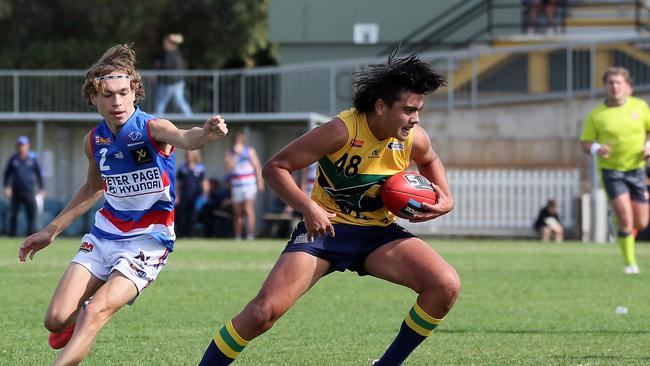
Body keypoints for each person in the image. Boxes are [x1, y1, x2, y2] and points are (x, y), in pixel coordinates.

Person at [199, 51, 460, 366]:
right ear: (381, 106)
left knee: (445, 285)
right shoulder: (342, 130)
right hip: (324, 231)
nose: (415, 119)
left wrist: (446, 198)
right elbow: (275, 168)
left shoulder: (411, 138)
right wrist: (309, 207)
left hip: (378, 234)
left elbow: (430, 159)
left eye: (418, 111)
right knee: (262, 313)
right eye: (407, 111)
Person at [17, 43, 228, 366]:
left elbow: (186, 137)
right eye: (107, 94)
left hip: (148, 242)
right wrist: (51, 230)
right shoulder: (94, 141)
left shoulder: (152, 128)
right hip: (104, 236)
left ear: (135, 94)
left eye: (123, 92)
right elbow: (92, 187)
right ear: (93, 98)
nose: (116, 101)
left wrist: (206, 134)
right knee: (56, 319)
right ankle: (73, 323)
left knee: (94, 312)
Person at [580, 66, 650, 275]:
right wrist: (596, 148)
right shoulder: (597, 115)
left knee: (642, 222)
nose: (614, 87)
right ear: (605, 87)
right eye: (610, 83)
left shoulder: (640, 107)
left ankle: (615, 218)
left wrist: (648, 147)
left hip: (637, 170)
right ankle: (630, 264)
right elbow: (584, 143)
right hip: (612, 172)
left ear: (627, 86)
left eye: (618, 82)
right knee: (626, 218)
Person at [224, 132, 264, 240]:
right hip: (236, 184)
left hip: (249, 183)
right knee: (237, 212)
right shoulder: (230, 153)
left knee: (248, 209)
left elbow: (257, 166)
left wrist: (260, 181)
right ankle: (238, 235)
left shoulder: (250, 151)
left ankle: (250, 234)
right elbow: (228, 168)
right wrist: (233, 157)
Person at [3, 135, 45, 237]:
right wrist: (6, 187)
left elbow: (39, 174)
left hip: (29, 191)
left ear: (27, 146)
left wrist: (42, 188)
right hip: (16, 192)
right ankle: (12, 235)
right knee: (13, 214)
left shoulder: (33, 159)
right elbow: (7, 174)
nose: (21, 147)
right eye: (19, 145)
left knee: (30, 214)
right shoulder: (13, 159)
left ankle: (30, 236)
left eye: (23, 145)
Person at [154, 33, 193, 115]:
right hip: (176, 82)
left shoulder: (170, 54)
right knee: (180, 102)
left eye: (165, 42)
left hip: (169, 83)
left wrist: (159, 65)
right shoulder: (176, 53)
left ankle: (156, 122)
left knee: (160, 104)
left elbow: (167, 68)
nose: (163, 44)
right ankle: (191, 118)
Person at [176, 149, 208, 237]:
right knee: (182, 216)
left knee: (193, 216)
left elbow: (204, 182)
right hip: (184, 196)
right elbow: (179, 183)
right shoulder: (182, 168)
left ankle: (191, 234)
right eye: (187, 155)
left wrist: (205, 194)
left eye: (190, 155)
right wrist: (177, 195)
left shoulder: (200, 168)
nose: (189, 156)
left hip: (196, 197)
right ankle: (181, 234)